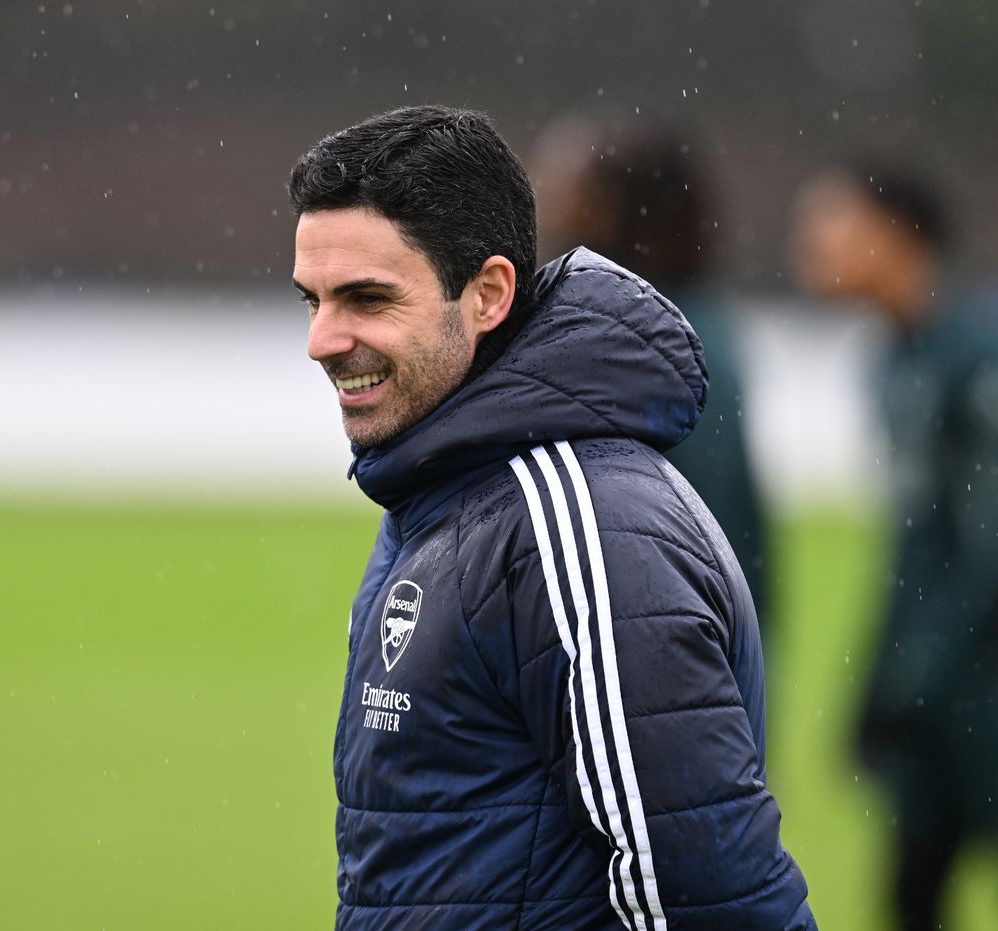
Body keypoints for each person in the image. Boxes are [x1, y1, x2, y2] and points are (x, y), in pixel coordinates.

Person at [289, 105, 814, 930]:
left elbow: (718, 896)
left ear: (490, 293)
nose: (323, 338)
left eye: (366, 297)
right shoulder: (448, 487)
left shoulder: (575, 522)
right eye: (313, 299)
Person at [790, 161, 998, 931]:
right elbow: (912, 550)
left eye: (833, 221)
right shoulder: (891, 362)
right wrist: (881, 689)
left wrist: (924, 668)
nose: (809, 241)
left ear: (896, 233)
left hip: (991, 696)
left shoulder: (985, 355)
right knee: (912, 896)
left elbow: (992, 550)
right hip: (934, 710)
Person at [530, 114, 770, 632]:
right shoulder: (628, 321)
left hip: (665, 631)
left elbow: (715, 516)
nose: (545, 195)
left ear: (617, 205)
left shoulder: (673, 338)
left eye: (568, 182)